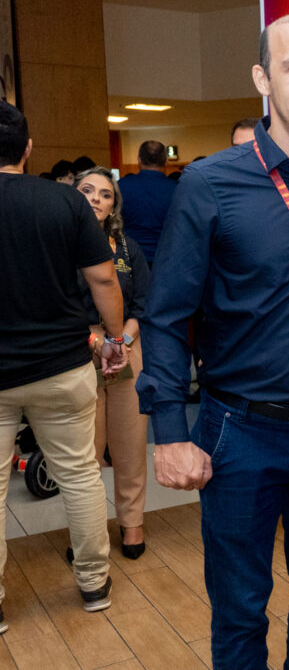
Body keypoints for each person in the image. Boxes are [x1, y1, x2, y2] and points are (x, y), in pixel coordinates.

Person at [137, 11, 289, 667]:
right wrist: (168, 429)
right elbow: (164, 315)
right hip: (239, 433)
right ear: (263, 78)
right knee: (241, 606)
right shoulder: (211, 183)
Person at [0, 101, 126, 622]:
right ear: (29, 149)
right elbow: (103, 279)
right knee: (79, 476)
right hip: (63, 364)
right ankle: (94, 585)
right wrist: (115, 338)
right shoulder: (64, 203)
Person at [75, 167, 150, 559]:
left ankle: (132, 525)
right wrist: (98, 340)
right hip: (76, 350)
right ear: (73, 197)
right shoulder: (58, 245)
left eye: (105, 194)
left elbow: (143, 305)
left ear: (113, 205)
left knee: (131, 444)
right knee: (86, 452)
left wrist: (121, 341)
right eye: (87, 190)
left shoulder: (127, 249)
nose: (96, 199)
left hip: (126, 348)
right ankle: (89, 537)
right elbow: (59, 307)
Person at [118, 140, 177, 264]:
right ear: (165, 159)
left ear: (139, 159)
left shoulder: (121, 186)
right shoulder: (177, 189)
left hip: (129, 257)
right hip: (167, 258)